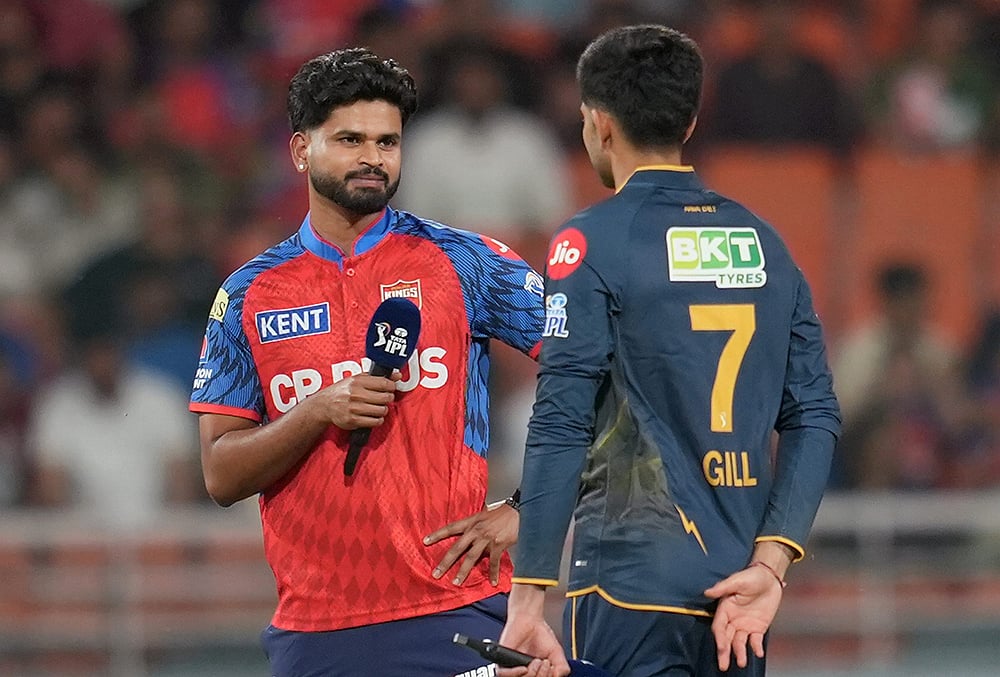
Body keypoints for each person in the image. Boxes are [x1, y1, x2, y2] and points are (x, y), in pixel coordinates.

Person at [496, 25, 842, 677]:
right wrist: (772, 562)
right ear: (689, 120)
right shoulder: (765, 243)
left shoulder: (590, 242)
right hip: (740, 597)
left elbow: (562, 421)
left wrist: (527, 594)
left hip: (628, 581)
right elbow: (815, 414)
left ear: (597, 124)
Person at [189, 48, 545, 676]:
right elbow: (220, 475)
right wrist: (316, 411)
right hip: (316, 630)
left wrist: (529, 507)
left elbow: (598, 373)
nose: (372, 159)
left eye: (388, 142)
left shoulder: (468, 263)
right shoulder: (248, 293)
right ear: (301, 151)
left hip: (457, 609)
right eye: (350, 139)